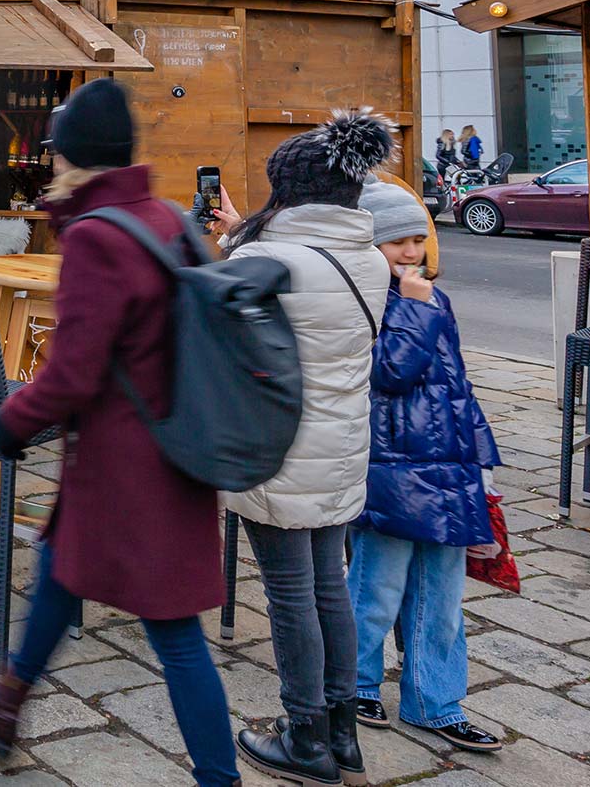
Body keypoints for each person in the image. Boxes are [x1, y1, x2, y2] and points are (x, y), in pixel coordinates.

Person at [0, 81, 238, 784]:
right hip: (173, 449)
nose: (50, 162)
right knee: (63, 568)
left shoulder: (98, 235)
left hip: (129, 466)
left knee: (174, 632)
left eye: (57, 151)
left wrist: (9, 420)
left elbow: (74, 370)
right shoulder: (163, 217)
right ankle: (6, 697)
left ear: (74, 155)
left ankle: (220, 777)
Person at [209, 109, 393, 787]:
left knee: (289, 595)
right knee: (327, 588)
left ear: (288, 190)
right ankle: (342, 735)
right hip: (341, 448)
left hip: (277, 450)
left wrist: (234, 242)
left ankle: (305, 737)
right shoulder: (369, 259)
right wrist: (242, 236)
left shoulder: (264, 258)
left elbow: (219, 325)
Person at [348, 181, 504, 753]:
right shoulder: (366, 300)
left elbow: (456, 383)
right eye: (396, 242)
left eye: (418, 239)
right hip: (389, 465)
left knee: (441, 598)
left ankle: (434, 701)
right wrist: (412, 307)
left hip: (448, 464)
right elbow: (389, 371)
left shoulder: (434, 299)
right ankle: (355, 684)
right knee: (375, 587)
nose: (410, 252)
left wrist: (480, 454)